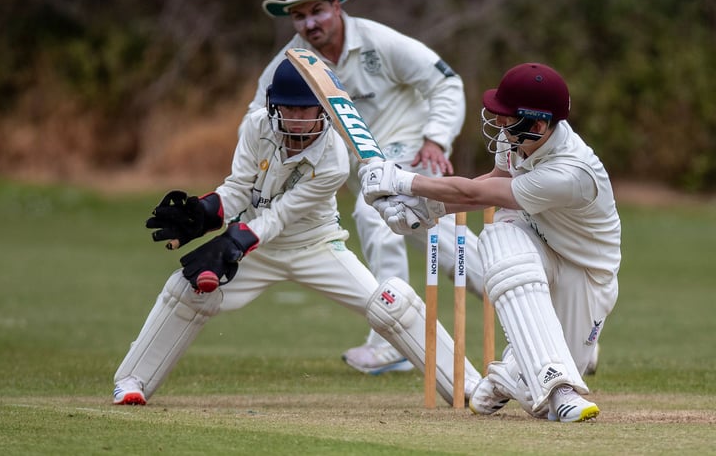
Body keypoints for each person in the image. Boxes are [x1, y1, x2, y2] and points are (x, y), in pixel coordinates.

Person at [112, 59, 482, 406]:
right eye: (288, 107)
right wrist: (207, 211)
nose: (296, 118)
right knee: (185, 291)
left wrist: (234, 242)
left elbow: (280, 216)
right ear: (274, 104)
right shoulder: (257, 126)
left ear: (323, 109)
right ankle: (131, 382)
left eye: (305, 109)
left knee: (390, 304)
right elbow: (239, 187)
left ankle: (468, 387)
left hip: (316, 246)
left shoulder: (335, 160)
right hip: (259, 250)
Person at [248, 0, 484, 375]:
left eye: (318, 11)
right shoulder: (292, 63)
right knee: (449, 244)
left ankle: (393, 341)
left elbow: (445, 82)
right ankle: (549, 313)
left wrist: (436, 139)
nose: (310, 23)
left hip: (409, 150)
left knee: (376, 210)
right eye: (299, 16)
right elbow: (255, 120)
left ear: (337, 6)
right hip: (363, 172)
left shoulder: (378, 41)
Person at [359, 63, 620, 422]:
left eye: (506, 115)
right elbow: (491, 183)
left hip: (587, 272)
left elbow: (478, 192)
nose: (498, 121)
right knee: (500, 237)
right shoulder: (517, 137)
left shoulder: (571, 173)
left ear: (538, 125)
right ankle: (560, 389)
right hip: (534, 238)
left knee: (535, 401)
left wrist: (405, 182)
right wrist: (423, 211)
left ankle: (508, 376)